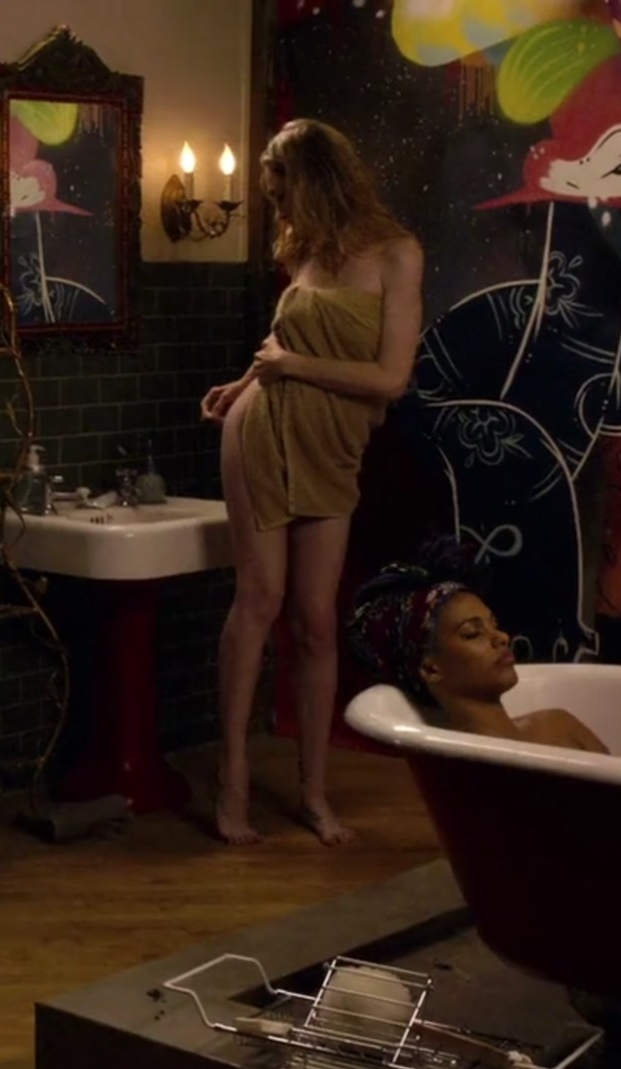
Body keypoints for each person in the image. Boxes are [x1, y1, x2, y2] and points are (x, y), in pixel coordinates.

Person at [200, 119, 425, 845]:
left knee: (316, 621)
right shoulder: (302, 251)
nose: (277, 207)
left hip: (333, 443)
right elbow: (283, 343)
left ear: (318, 180)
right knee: (260, 598)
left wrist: (290, 367)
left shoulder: (395, 254)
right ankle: (232, 780)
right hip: (263, 429)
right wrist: (243, 383)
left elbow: (390, 379)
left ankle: (313, 792)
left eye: (282, 190)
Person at [344, 540, 610, 753]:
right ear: (431, 669)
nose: (501, 637)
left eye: (495, 624)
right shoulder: (464, 772)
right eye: (472, 634)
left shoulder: (559, 724)